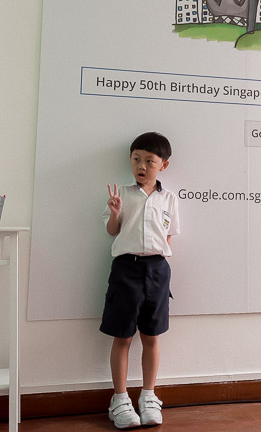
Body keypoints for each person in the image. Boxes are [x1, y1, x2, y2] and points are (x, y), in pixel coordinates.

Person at [101, 132, 180, 429]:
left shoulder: (169, 198)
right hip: (126, 268)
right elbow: (112, 231)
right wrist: (115, 213)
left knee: (151, 335)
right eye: (136, 159)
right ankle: (119, 399)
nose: (142, 166)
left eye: (150, 160)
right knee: (122, 336)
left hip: (158, 269)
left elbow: (168, 237)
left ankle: (148, 396)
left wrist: (158, 265)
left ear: (164, 165)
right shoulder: (121, 192)